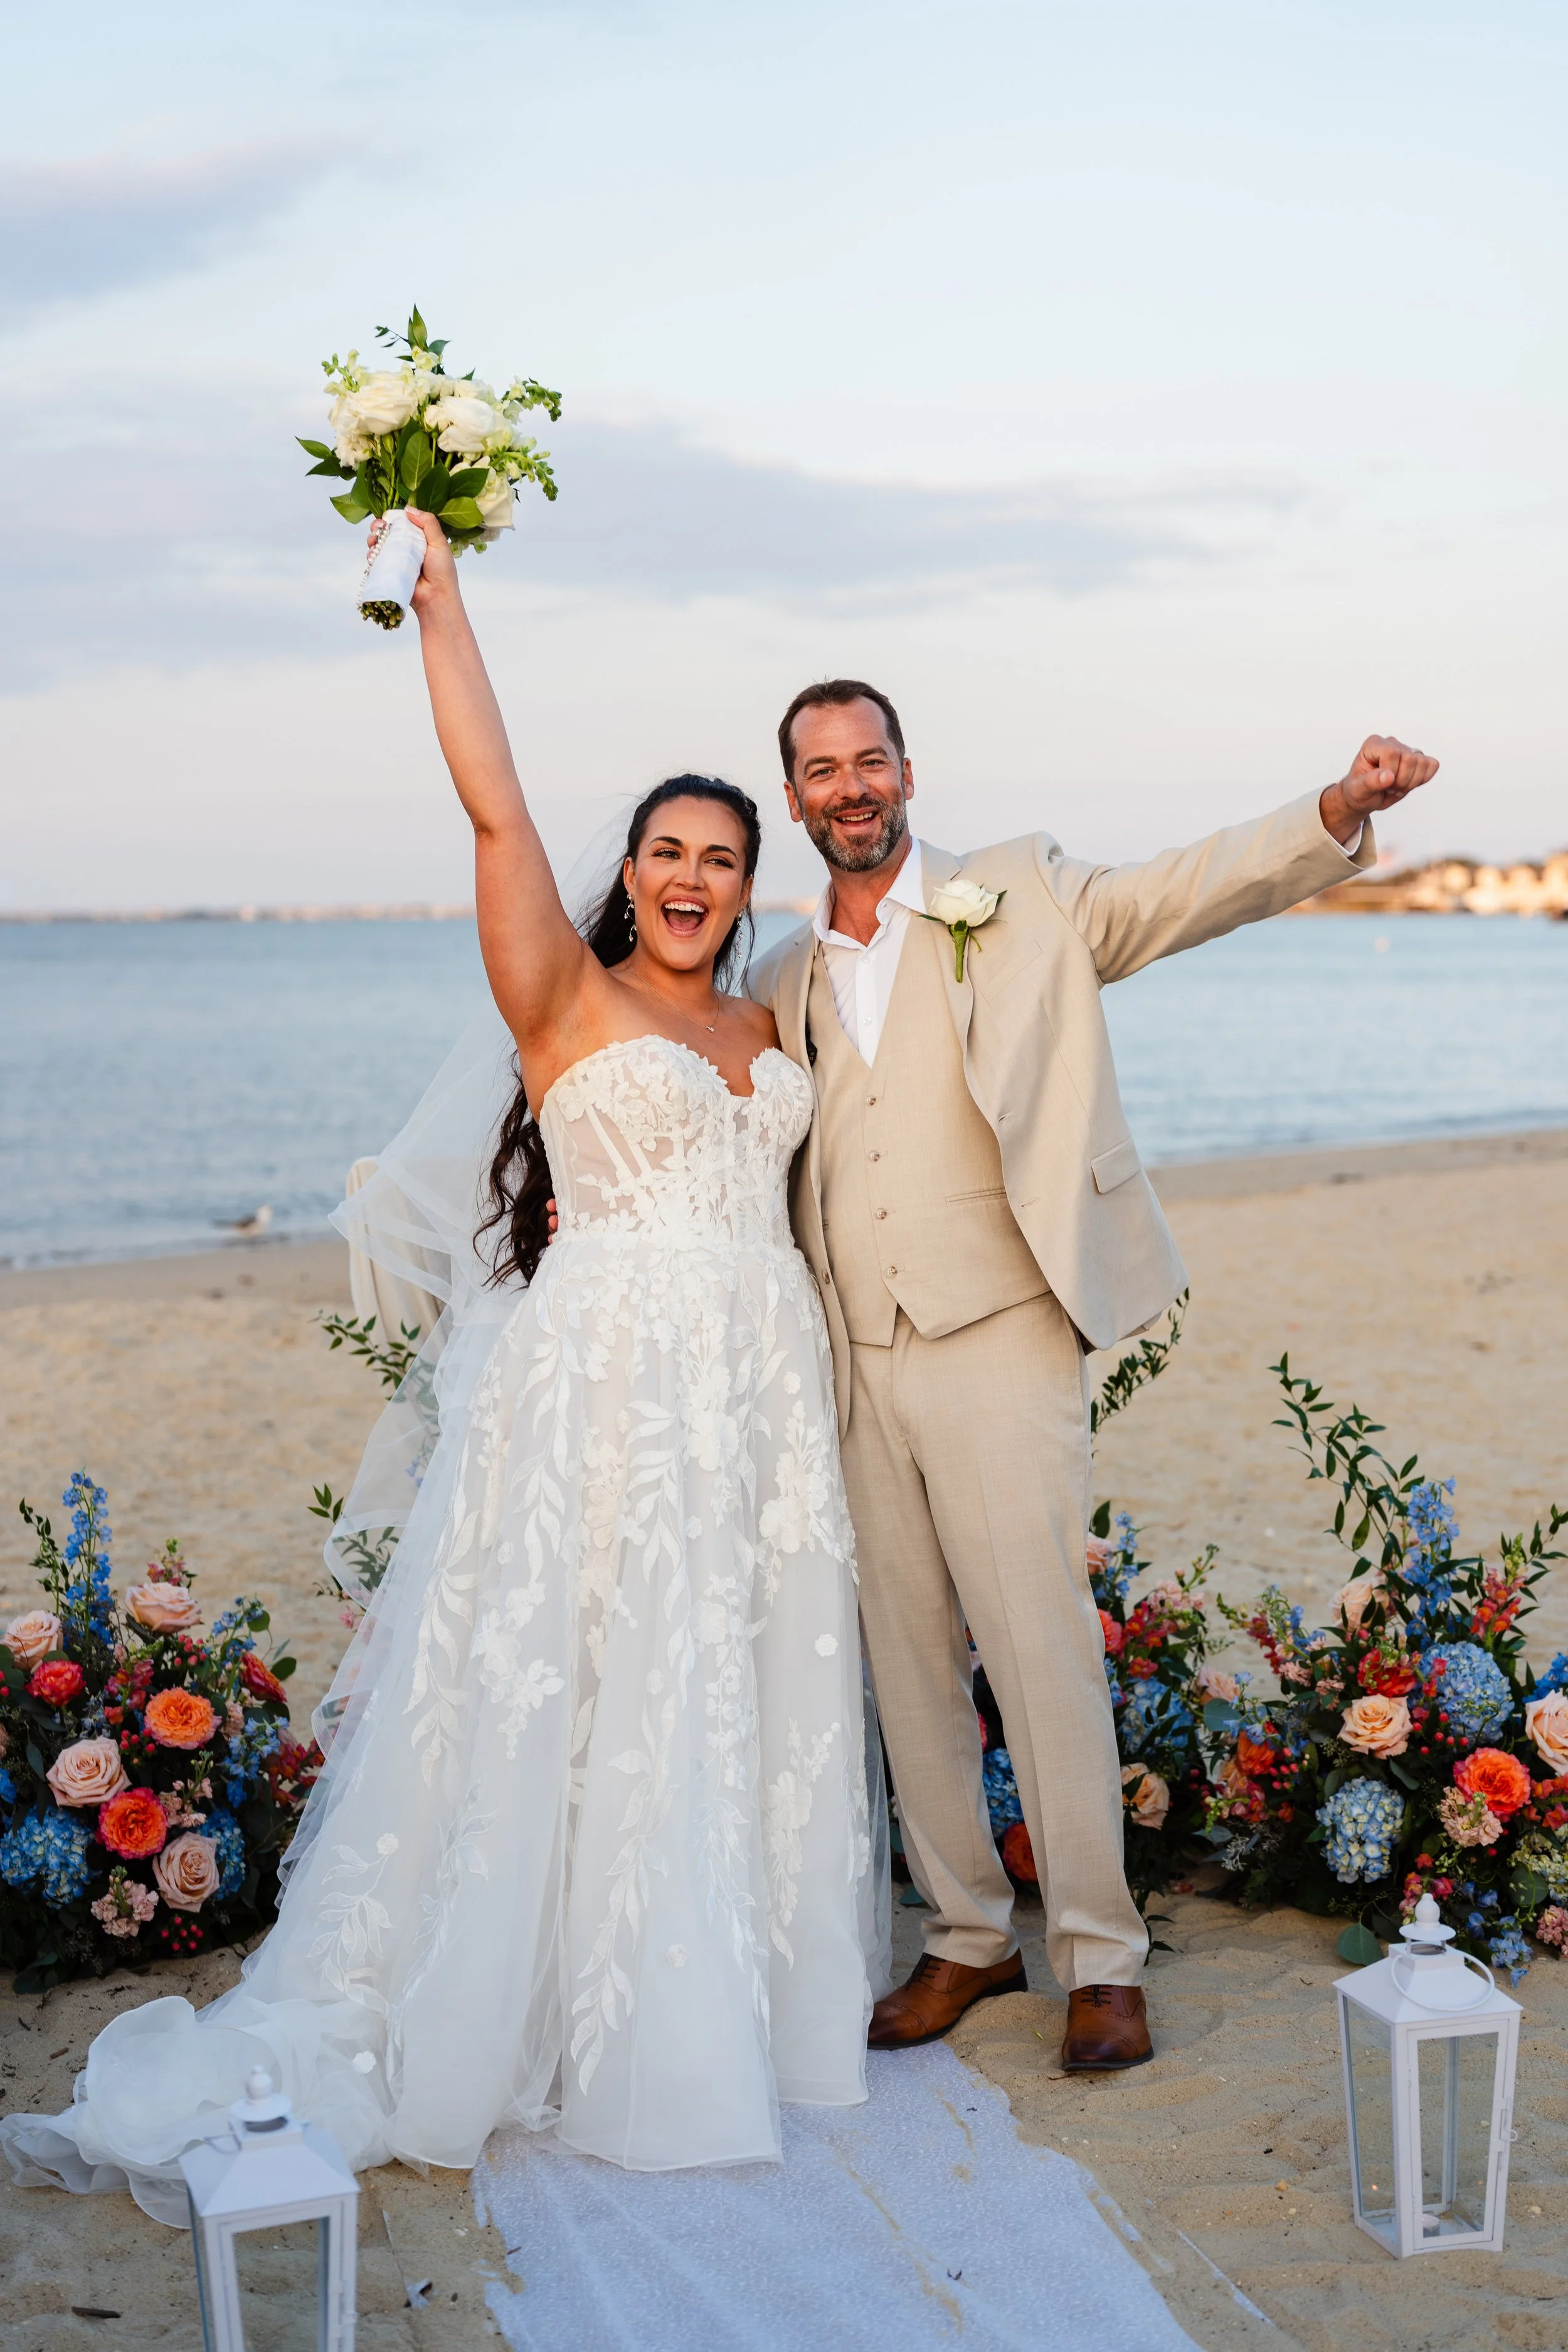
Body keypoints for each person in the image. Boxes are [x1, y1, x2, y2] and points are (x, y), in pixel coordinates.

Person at [1, 515, 882, 2223]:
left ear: (746, 881)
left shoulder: (767, 1027)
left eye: (720, 853)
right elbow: (492, 804)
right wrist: (444, 606)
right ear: (628, 871)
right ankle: (541, 2011)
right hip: (605, 1383)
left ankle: (731, 2005)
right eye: (665, 849)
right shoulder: (562, 994)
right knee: (576, 1683)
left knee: (724, 1683)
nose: (691, 875)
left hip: (755, 1393)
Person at [748, 679, 1438, 2071]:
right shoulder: (776, 974)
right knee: (904, 1660)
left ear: (905, 774)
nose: (850, 787)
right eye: (821, 770)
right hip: (849, 1347)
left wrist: (1333, 810)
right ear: (793, 800)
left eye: (868, 759)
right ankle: (962, 1938)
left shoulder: (1020, 893)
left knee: (1039, 1647)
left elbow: (1184, 891)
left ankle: (1098, 1959)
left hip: (1000, 1318)